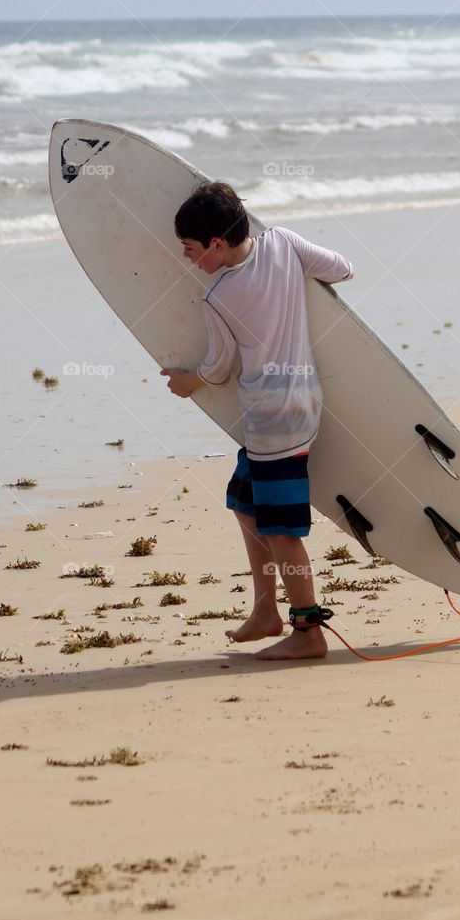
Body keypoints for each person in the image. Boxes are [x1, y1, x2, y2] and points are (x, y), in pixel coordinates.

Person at [161, 181, 354, 661]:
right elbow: (343, 269)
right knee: (243, 502)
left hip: (272, 423)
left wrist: (189, 382)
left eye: (190, 249)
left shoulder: (220, 297)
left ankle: (308, 632)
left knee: (282, 532)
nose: (188, 259)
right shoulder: (284, 244)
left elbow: (220, 367)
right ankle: (265, 610)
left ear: (217, 244)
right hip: (302, 405)